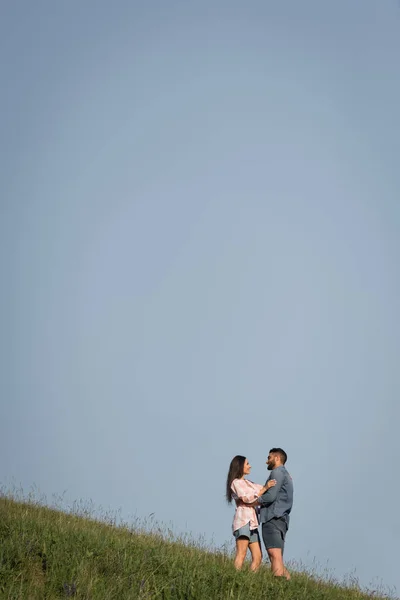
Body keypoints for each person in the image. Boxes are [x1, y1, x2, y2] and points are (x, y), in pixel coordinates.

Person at [226, 455, 277, 571]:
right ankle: (235, 578)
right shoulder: (236, 483)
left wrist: (283, 477)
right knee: (242, 553)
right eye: (247, 464)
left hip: (253, 523)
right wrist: (264, 489)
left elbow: (265, 488)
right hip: (243, 521)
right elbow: (247, 498)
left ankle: (248, 581)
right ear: (240, 466)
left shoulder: (249, 483)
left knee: (258, 557)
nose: (250, 466)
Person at [258, 448, 293, 579]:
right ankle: (289, 586)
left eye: (269, 458)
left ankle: (277, 587)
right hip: (282, 520)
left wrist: (256, 500)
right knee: (277, 557)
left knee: (274, 554)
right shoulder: (287, 475)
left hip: (273, 517)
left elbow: (271, 496)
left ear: (277, 458)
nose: (267, 461)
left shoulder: (277, 473)